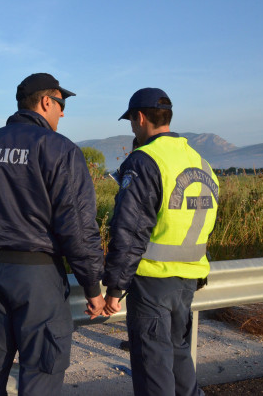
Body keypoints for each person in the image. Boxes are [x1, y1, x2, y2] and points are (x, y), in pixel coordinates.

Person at [0, 73, 106, 396]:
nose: (62, 113)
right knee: (41, 372)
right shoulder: (57, 149)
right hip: (38, 278)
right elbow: (77, 226)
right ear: (46, 102)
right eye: (61, 104)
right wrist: (92, 285)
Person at [102, 88, 219, 396]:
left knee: (153, 365)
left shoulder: (145, 160)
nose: (131, 127)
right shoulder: (202, 164)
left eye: (130, 120)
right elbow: (203, 223)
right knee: (179, 355)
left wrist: (115, 287)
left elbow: (129, 229)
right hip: (189, 280)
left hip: (153, 280)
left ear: (140, 118)